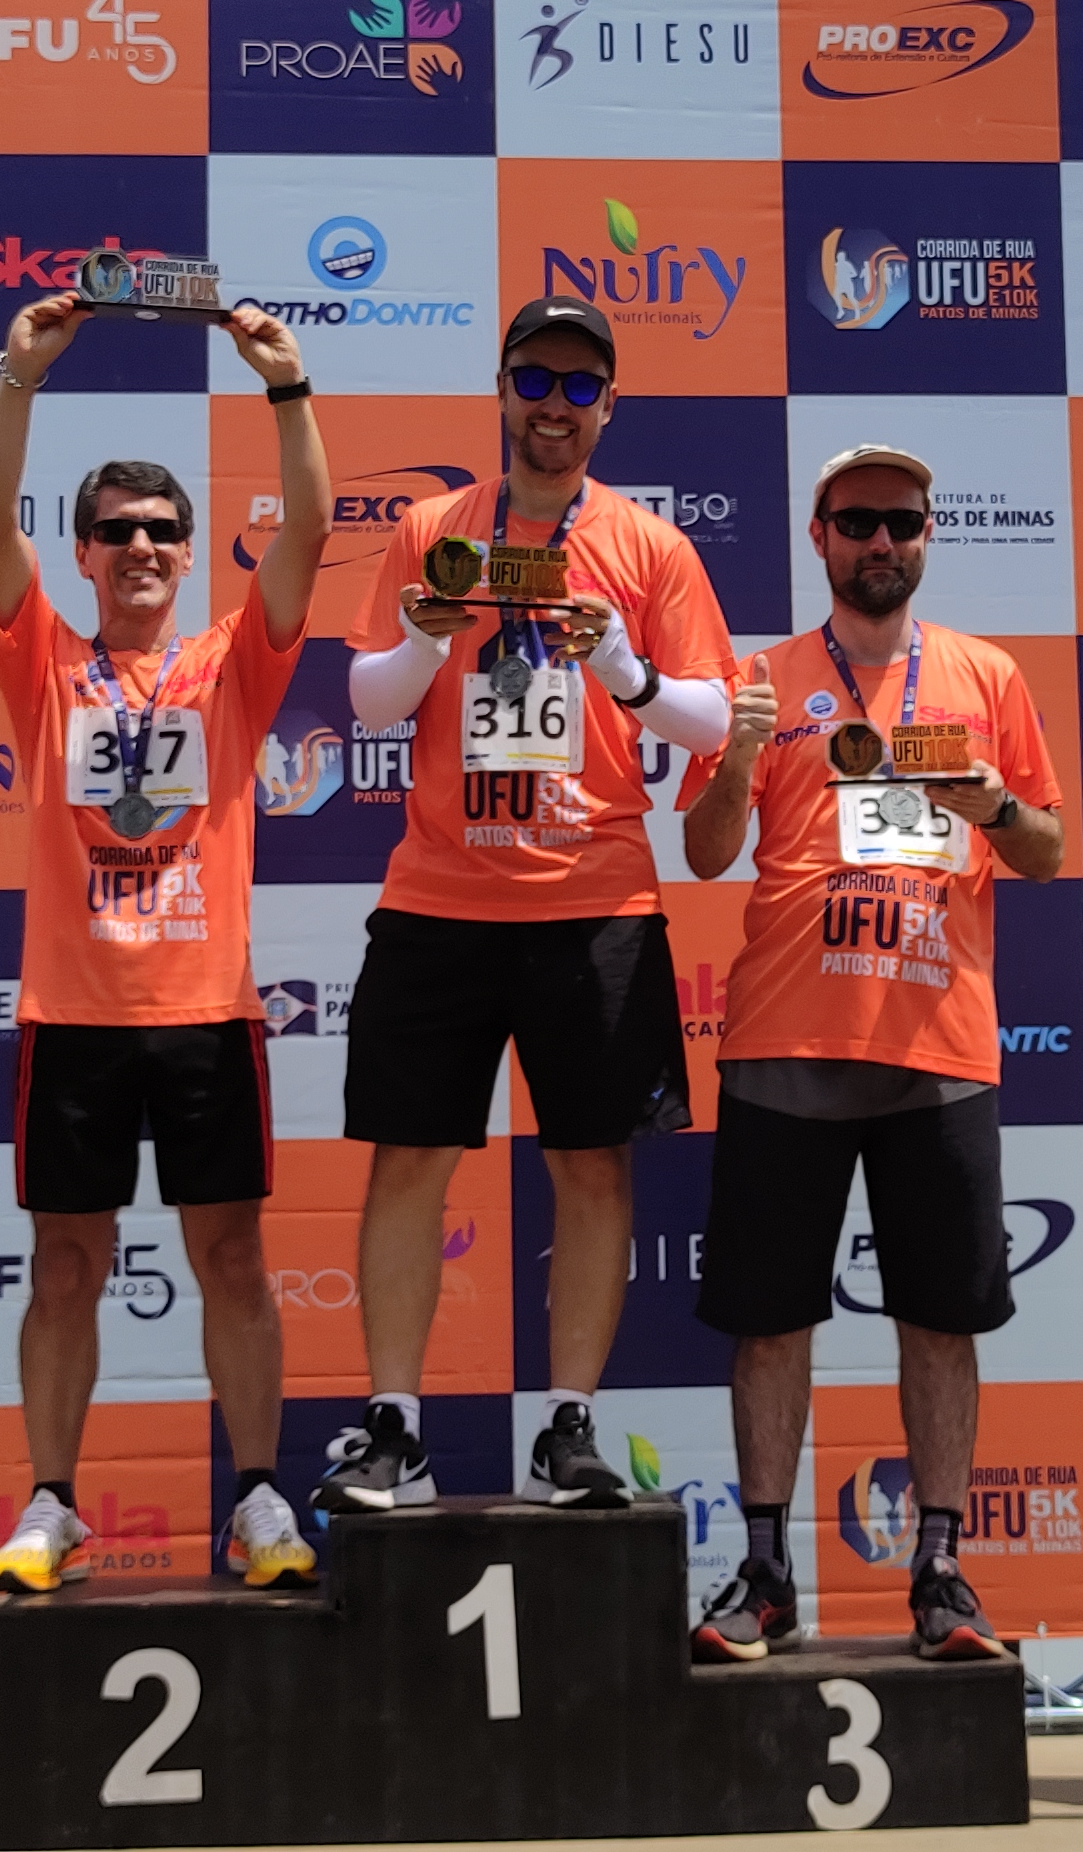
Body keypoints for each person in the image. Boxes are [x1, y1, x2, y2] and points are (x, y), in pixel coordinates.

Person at [324, 295, 736, 1511]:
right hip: (441, 897)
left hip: (593, 896)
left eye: (578, 385)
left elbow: (710, 718)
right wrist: (418, 639)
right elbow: (370, 705)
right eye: (534, 379)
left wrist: (623, 668)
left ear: (608, 404)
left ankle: (570, 1427)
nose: (553, 405)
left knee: (594, 1169)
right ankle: (393, 1426)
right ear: (501, 388)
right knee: (408, 1159)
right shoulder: (431, 528)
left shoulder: (651, 548)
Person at [0, 293, 333, 1595]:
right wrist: (18, 382)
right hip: (72, 1014)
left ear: (187, 556)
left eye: (163, 532)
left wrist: (286, 390)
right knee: (66, 1265)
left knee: (230, 1257)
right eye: (115, 531)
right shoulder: (41, 661)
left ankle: (254, 1500)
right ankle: (53, 1503)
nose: (140, 547)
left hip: (203, 1011)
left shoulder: (234, 665)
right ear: (82, 553)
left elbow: (312, 536)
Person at [675, 444, 1064, 1664]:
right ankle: (765, 1567)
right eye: (857, 521)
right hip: (786, 1038)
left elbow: (1046, 850)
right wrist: (738, 750)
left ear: (929, 534)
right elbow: (701, 850)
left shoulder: (985, 674)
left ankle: (940, 1571)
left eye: (900, 521)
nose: (879, 540)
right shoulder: (760, 677)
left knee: (939, 1320)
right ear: (818, 536)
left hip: (937, 1045)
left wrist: (991, 799)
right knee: (770, 1320)